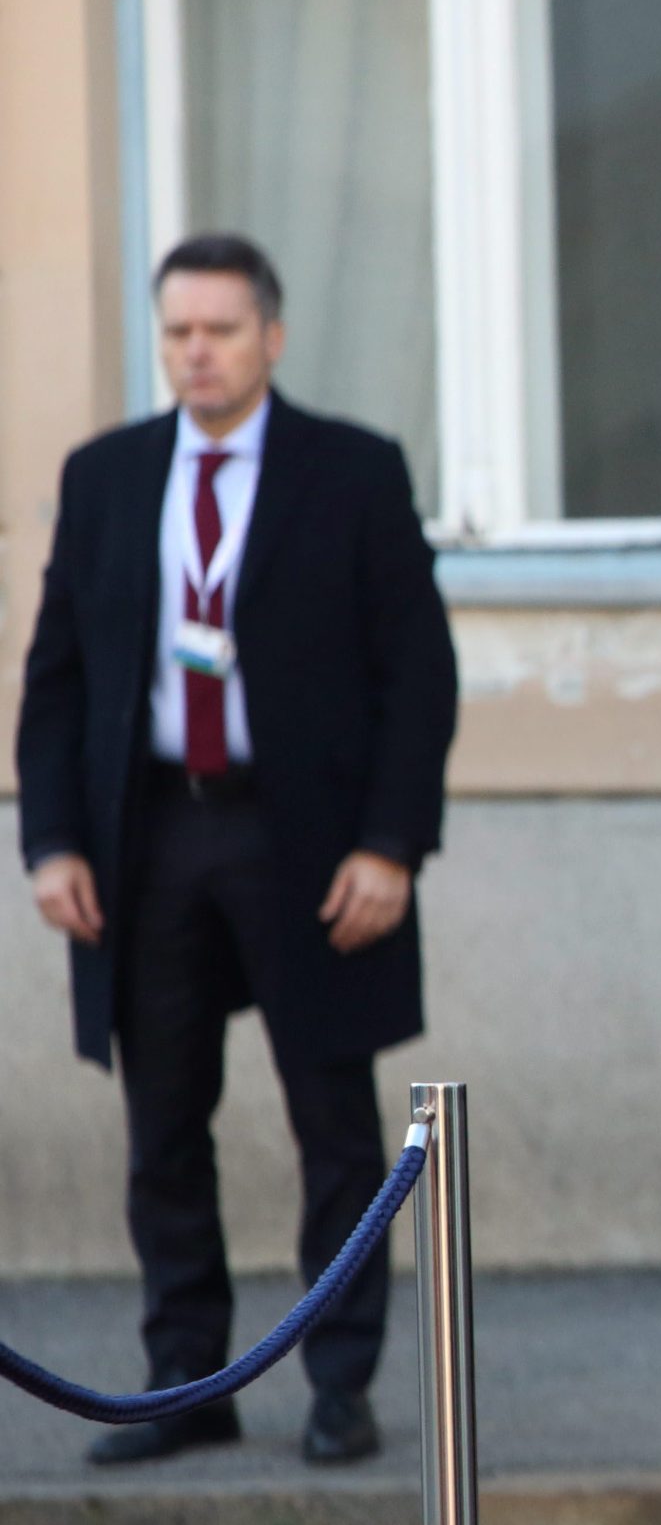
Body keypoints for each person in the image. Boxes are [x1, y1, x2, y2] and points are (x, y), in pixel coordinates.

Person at [16, 233, 459, 1465]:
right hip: (148, 834)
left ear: (270, 334)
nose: (195, 352)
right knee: (163, 1119)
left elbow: (416, 674)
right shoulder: (107, 476)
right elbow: (55, 676)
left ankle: (340, 1382)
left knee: (334, 1120)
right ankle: (183, 1380)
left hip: (303, 836)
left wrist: (390, 844)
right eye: (176, 332)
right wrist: (48, 837)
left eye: (218, 329)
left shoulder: (350, 471)